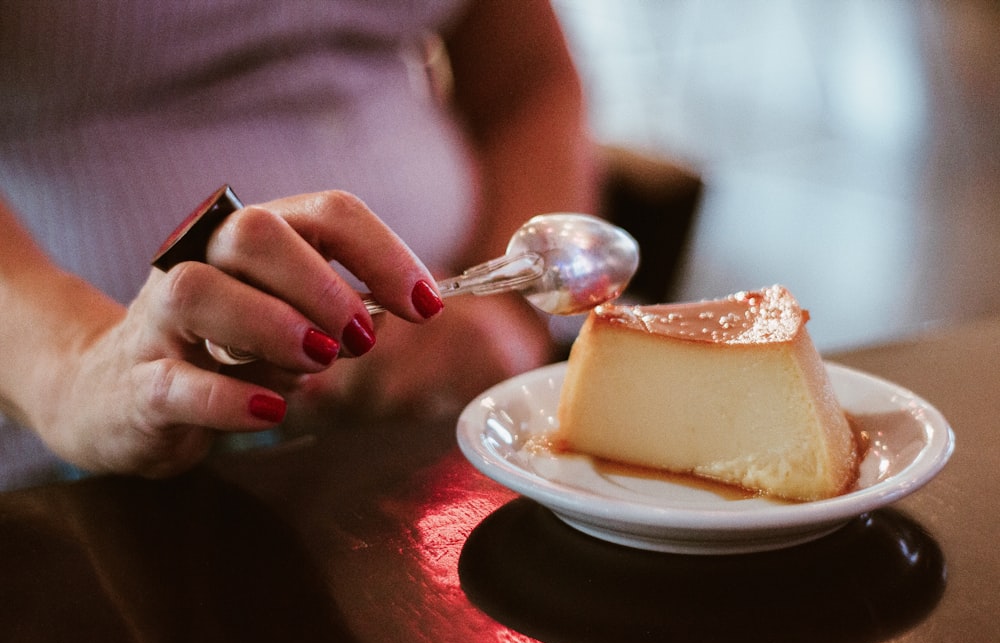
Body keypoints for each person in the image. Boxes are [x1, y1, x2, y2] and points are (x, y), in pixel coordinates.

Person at [0, 0, 596, 488]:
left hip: (441, 418)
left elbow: (530, 82)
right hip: (63, 465)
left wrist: (509, 314)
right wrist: (71, 367)